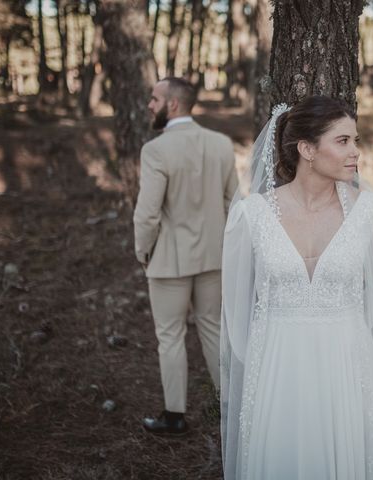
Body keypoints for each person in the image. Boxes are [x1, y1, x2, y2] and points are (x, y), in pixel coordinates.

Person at [220, 96, 373, 479]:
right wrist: (265, 354)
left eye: (355, 141)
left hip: (344, 365)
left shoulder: (371, 214)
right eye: (343, 141)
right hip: (278, 369)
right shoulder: (251, 216)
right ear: (307, 149)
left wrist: (339, 324)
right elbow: (236, 308)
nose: (356, 152)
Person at [134, 77, 238, 435]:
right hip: (214, 255)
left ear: (172, 104)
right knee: (213, 329)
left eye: (154, 98)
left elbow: (147, 214)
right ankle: (233, 408)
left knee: (170, 336)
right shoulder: (221, 144)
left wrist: (143, 252)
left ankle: (174, 416)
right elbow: (233, 204)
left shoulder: (156, 150)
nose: (150, 105)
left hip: (169, 260)